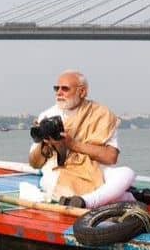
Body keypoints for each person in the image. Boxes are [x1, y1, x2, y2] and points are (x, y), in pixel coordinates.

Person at [27, 70, 135, 209]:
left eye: (65, 89)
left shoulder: (100, 114)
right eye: (56, 88)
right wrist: (44, 143)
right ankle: (127, 197)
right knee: (57, 186)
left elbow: (111, 157)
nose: (59, 92)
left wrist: (72, 144)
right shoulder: (47, 116)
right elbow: (34, 164)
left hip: (94, 168)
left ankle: (86, 201)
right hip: (60, 170)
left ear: (82, 92)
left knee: (126, 173)